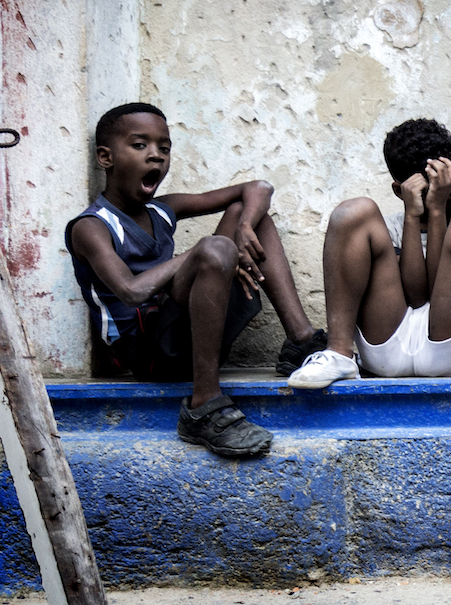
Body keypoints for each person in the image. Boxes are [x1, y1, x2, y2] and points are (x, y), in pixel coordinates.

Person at [66, 102, 327, 458]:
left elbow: (258, 187)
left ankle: (301, 341)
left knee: (245, 217)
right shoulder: (91, 226)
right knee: (216, 248)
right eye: (140, 145)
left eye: (164, 147)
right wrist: (207, 252)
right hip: (147, 357)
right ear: (106, 157)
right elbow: (131, 291)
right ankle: (203, 404)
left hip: (187, 338)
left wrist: (246, 226)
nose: (156, 156)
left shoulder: (162, 210)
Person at [288, 118, 451, 393]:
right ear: (401, 191)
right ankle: (340, 353)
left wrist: (436, 211)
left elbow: (437, 297)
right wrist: (413, 216)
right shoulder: (383, 230)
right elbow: (416, 296)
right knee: (353, 211)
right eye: (436, 187)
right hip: (386, 347)